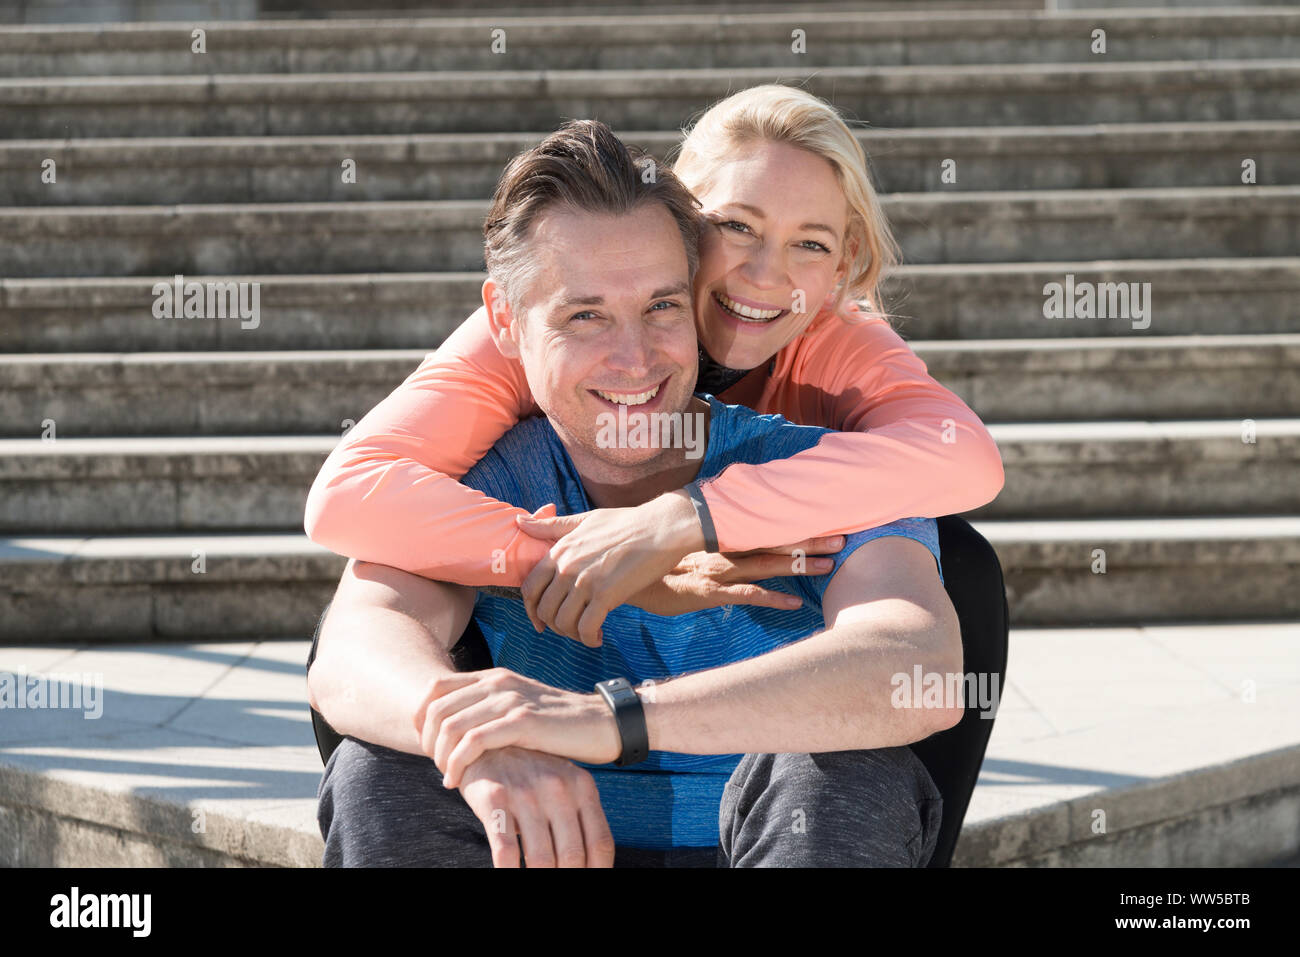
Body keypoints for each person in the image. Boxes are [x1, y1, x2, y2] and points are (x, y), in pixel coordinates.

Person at [309, 120, 962, 868]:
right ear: (505, 323)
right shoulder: (483, 477)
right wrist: (472, 740)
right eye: (585, 315)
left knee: (847, 766)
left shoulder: (827, 469)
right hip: (541, 841)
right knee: (384, 766)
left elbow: (923, 671)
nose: (635, 358)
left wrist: (613, 719)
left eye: (661, 306)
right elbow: (354, 642)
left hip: (768, 837)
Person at [303, 84, 1004, 646]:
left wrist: (683, 520)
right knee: (375, 597)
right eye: (737, 226)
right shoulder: (548, 327)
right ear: (682, 219)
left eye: (810, 245)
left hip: (759, 618)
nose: (765, 276)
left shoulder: (834, 334)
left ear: (845, 263)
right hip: (543, 608)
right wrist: (587, 558)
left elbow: (968, 460)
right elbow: (346, 493)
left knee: (960, 562)